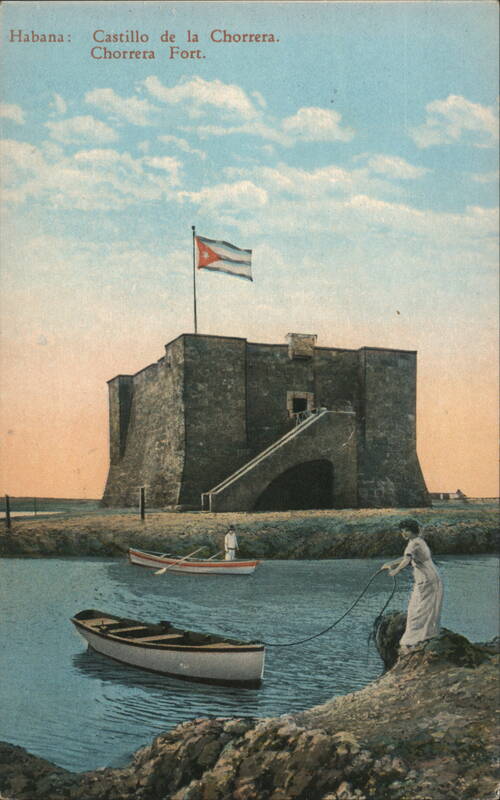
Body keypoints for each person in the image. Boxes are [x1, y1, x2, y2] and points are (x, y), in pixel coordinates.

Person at [381, 518, 443, 647]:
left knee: (418, 609)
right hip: (429, 577)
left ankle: (415, 638)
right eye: (402, 531)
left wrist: (395, 570)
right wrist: (391, 563)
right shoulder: (417, 541)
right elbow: (406, 557)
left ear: (413, 531)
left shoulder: (413, 544)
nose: (403, 533)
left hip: (426, 579)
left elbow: (407, 560)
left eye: (406, 531)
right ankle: (426, 634)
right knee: (422, 607)